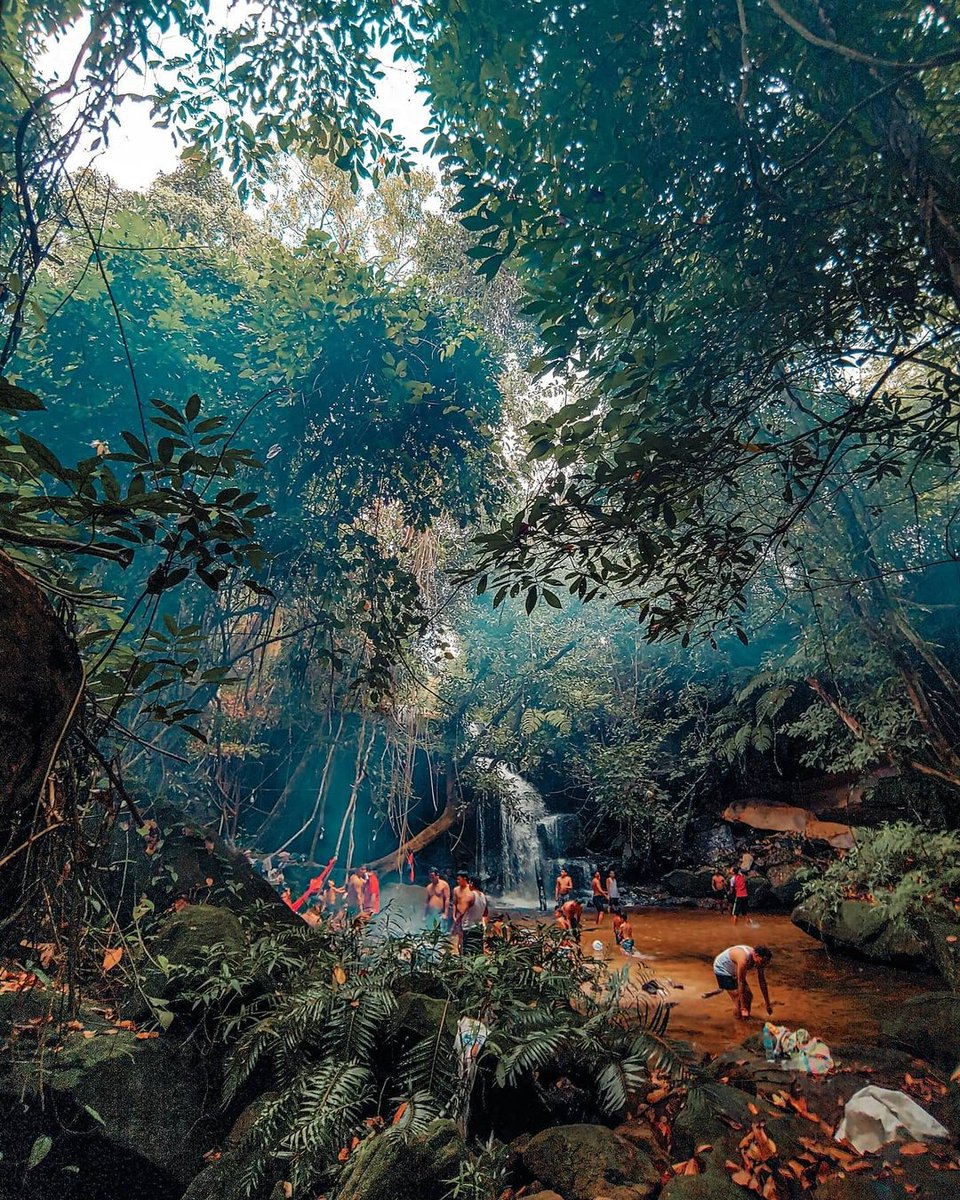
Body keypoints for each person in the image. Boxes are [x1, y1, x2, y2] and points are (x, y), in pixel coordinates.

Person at [713, 944, 773, 1019]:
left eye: (766, 963)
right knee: (738, 999)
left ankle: (745, 1018)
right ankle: (739, 1022)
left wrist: (767, 1004)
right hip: (722, 969)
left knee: (748, 996)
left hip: (734, 968)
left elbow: (762, 982)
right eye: (763, 962)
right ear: (756, 955)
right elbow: (741, 982)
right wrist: (743, 1008)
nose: (763, 964)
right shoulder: (744, 960)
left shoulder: (760, 961)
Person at [452, 871, 475, 952]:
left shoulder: (471, 889)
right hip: (458, 916)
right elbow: (454, 903)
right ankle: (461, 954)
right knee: (460, 937)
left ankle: (467, 952)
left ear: (465, 879)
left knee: (467, 936)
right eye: (457, 879)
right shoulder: (456, 890)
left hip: (468, 916)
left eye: (459, 879)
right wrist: (454, 915)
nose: (457, 881)